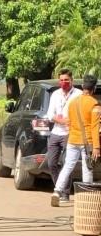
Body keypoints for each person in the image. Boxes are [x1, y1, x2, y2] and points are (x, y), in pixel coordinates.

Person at [51, 73, 100, 207]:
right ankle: (86, 198)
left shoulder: (73, 102)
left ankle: (57, 191)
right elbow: (95, 127)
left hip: (72, 139)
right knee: (87, 168)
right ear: (94, 88)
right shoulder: (94, 104)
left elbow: (69, 122)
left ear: (83, 86)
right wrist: (96, 147)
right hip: (87, 142)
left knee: (67, 167)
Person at [46, 69, 80, 202]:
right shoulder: (55, 94)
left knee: (67, 163)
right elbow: (50, 115)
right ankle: (59, 188)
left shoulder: (78, 94)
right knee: (51, 163)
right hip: (56, 132)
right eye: (61, 80)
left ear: (72, 80)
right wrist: (61, 120)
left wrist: (70, 121)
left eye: (66, 80)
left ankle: (64, 193)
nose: (64, 82)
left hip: (70, 133)